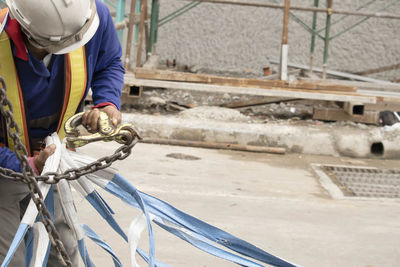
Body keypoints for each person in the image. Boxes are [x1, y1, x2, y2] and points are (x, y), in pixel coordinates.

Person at [0, 0, 125, 265]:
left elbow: (109, 61)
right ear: (25, 30)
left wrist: (107, 103)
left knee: (65, 254)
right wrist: (29, 164)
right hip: (3, 170)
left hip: (51, 167)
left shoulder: (88, 17)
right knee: (10, 260)